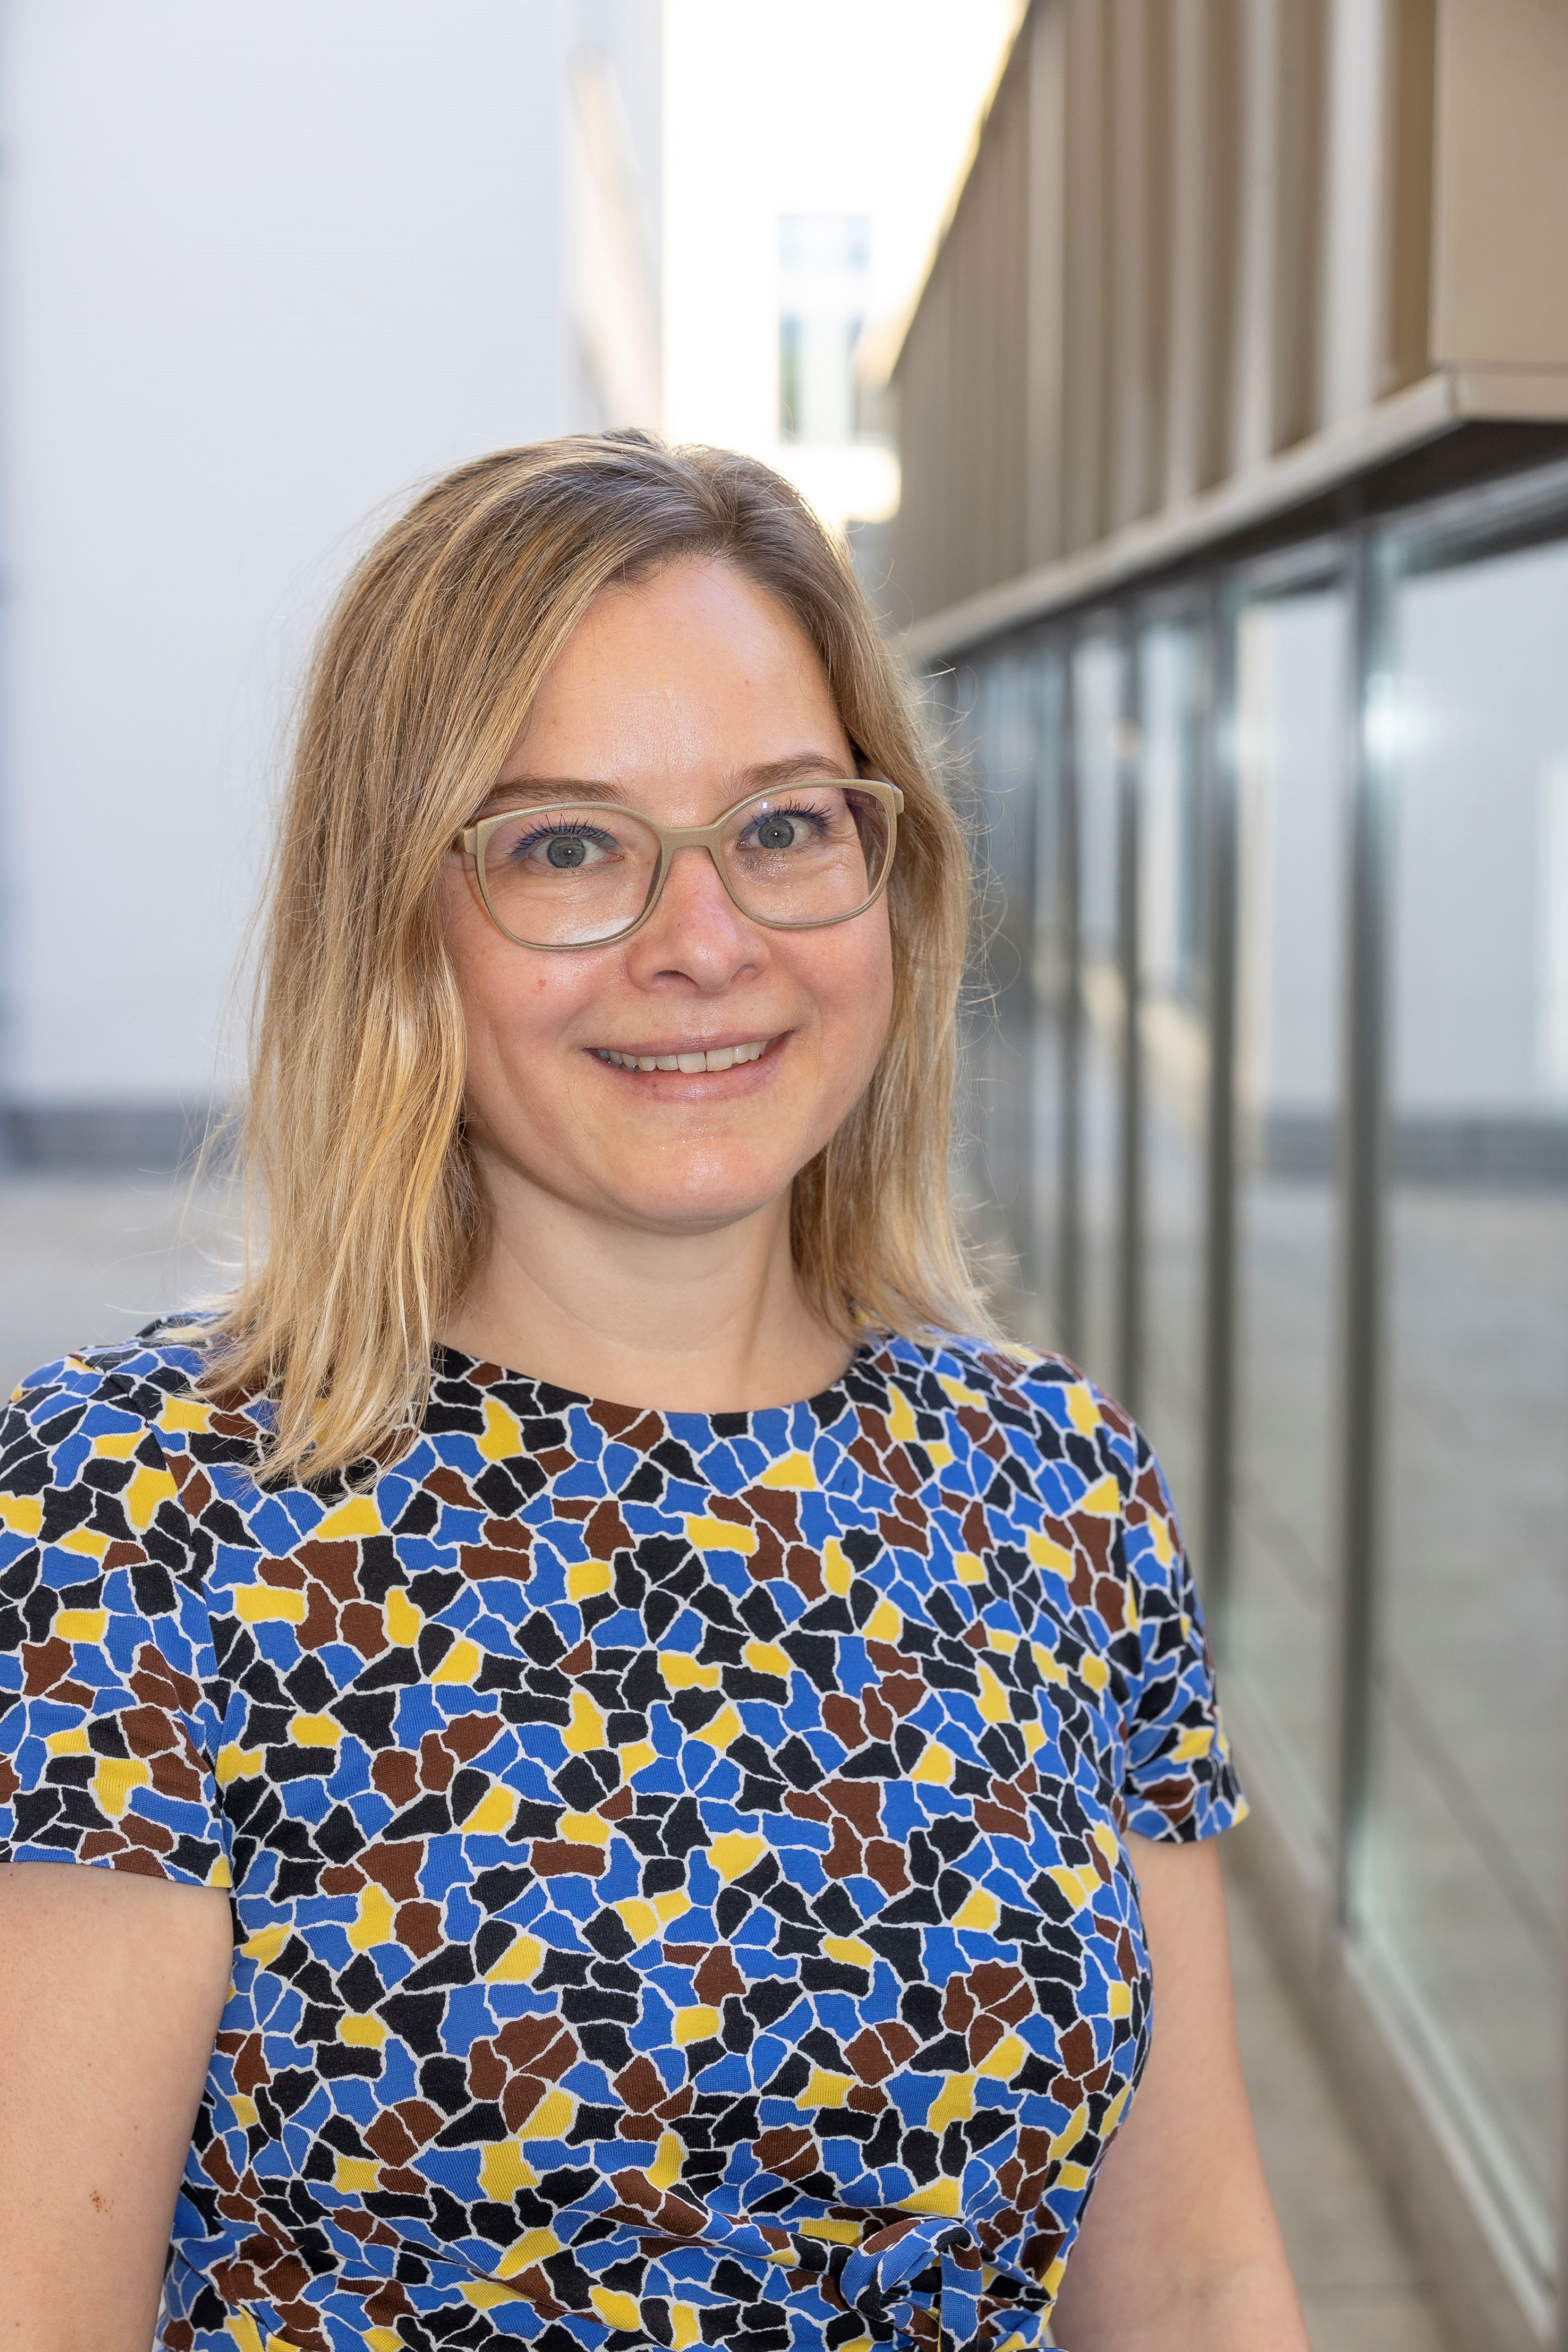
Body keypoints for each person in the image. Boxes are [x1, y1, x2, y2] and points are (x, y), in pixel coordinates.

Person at [0, 432, 1308, 2352]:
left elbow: (1192, 2278)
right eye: (565, 844)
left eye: (782, 823)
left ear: (889, 873)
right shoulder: (141, 1519)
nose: (705, 940)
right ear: (398, 920)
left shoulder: (1056, 1486)